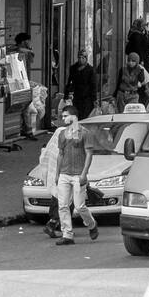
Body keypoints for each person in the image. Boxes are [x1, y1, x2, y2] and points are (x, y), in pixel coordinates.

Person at [52, 104, 99, 245]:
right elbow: (60, 154)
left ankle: (91, 224)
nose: (63, 118)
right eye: (63, 116)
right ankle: (67, 235)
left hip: (78, 174)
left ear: (74, 117)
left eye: (66, 116)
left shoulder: (85, 133)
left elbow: (89, 154)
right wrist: (57, 173)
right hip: (64, 174)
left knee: (79, 206)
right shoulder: (62, 134)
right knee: (63, 205)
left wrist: (84, 174)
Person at [66, 50, 97, 120]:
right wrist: (66, 94)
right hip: (77, 97)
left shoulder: (90, 70)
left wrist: (94, 99)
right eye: (79, 57)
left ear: (86, 59)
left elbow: (93, 85)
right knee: (77, 116)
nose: (81, 59)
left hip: (87, 98)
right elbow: (69, 81)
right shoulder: (73, 68)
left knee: (85, 117)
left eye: (83, 58)